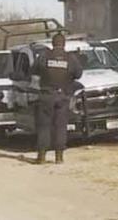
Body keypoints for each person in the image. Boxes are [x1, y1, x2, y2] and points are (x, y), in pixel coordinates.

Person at [32, 33, 82, 164]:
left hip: (46, 95)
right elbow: (79, 74)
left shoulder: (44, 56)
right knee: (60, 126)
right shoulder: (70, 58)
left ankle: (41, 156)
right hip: (62, 96)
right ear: (64, 44)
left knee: (44, 126)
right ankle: (59, 157)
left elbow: (34, 70)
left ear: (52, 43)